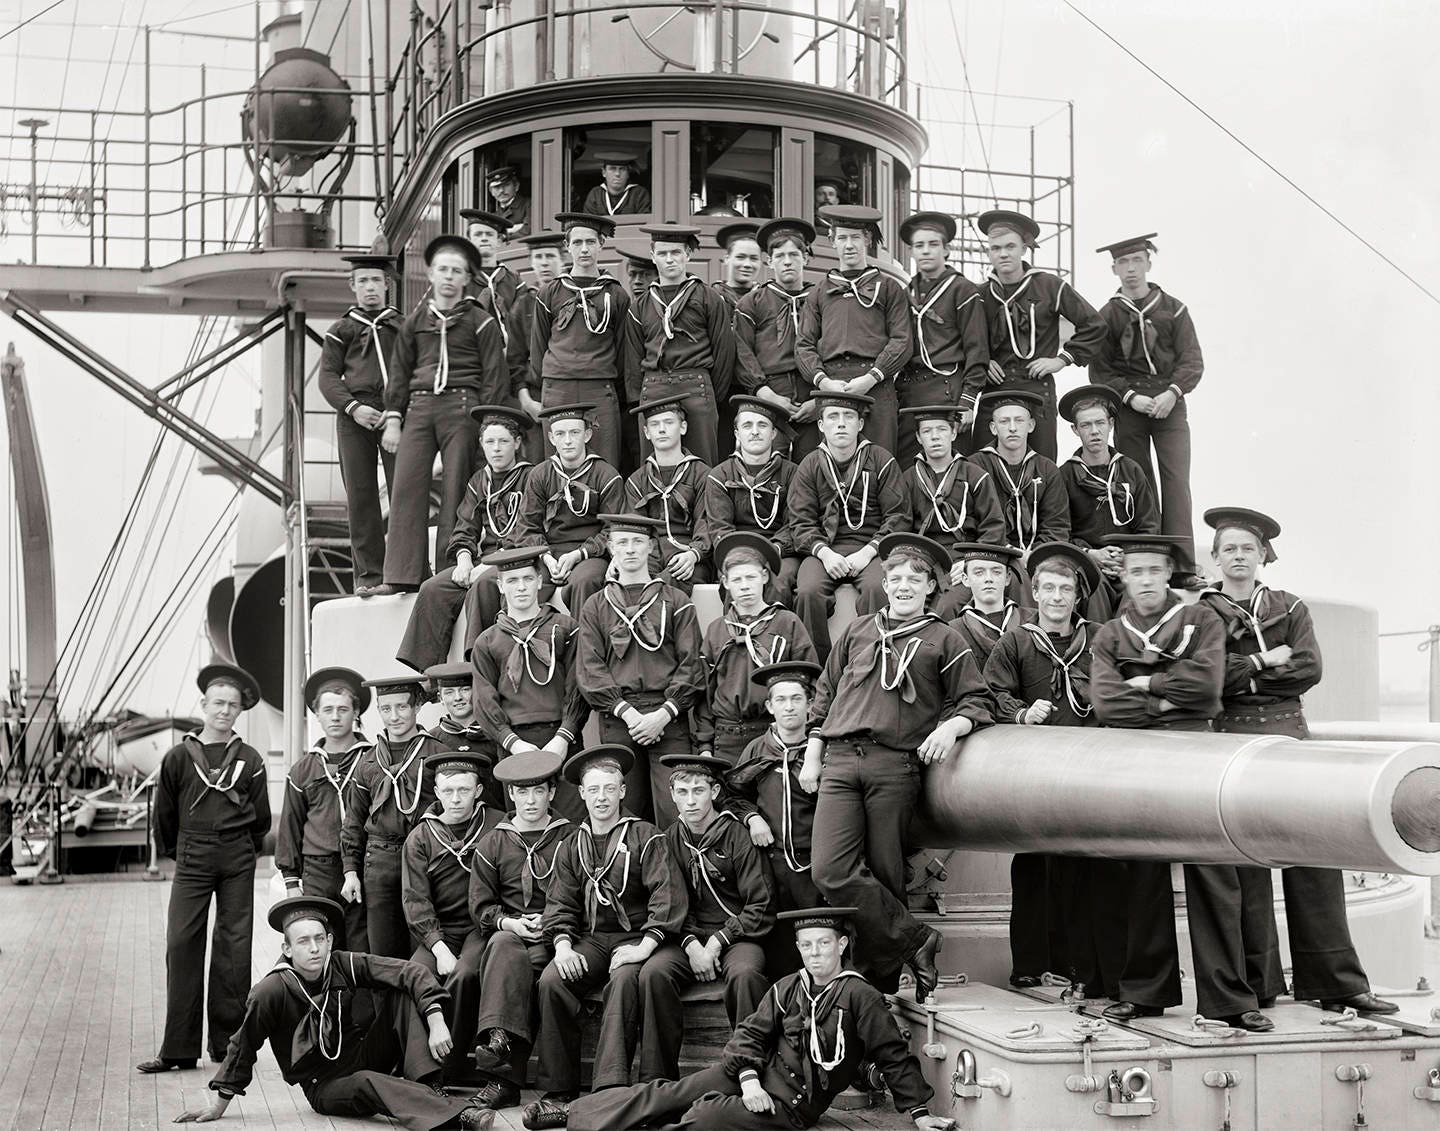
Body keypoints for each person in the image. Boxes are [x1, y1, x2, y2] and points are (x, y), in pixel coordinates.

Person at [1198, 507, 1397, 1017]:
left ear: (1263, 555)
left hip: (1290, 739)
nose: (1238, 556)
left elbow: (1309, 668)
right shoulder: (1204, 614)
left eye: (1248, 548)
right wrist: (1266, 664)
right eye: (1229, 549)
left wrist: (1245, 676)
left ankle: (1336, 983)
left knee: (1316, 859)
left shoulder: (1290, 606)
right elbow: (1211, 676)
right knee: (1247, 865)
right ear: (1215, 557)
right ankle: (1260, 986)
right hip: (1232, 745)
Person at [549, 906, 951, 1131]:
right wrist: (748, 1079)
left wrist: (920, 1114)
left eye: (823, 944)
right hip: (753, 1075)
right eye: (806, 945)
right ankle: (575, 1115)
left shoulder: (860, 995)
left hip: (790, 1102)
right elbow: (749, 1036)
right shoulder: (789, 986)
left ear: (842, 945)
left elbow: (892, 1054)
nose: (815, 954)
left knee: (705, 1118)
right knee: (669, 1093)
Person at [1090, 535, 1270, 1032]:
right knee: (1142, 879)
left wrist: (1147, 685)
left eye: (1155, 570)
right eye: (1136, 571)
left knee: (1214, 877)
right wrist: (1171, 698)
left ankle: (1229, 999)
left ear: (1169, 573)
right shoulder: (1110, 634)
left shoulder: (1201, 620)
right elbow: (1107, 702)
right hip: (1138, 758)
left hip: (1195, 756)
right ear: (1123, 577)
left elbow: (1207, 688)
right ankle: (1145, 992)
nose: (1146, 579)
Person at [802, 533, 993, 998]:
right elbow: (825, 694)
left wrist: (950, 729)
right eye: (896, 578)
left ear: (930, 588)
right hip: (841, 761)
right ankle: (916, 939)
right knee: (829, 870)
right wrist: (812, 755)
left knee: (886, 874)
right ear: (884, 585)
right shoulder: (858, 630)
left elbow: (977, 700)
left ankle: (879, 989)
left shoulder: (945, 638)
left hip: (895, 764)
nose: (904, 585)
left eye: (915, 579)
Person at [175, 896, 494, 1129]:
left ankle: (430, 1086)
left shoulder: (341, 964)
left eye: (319, 939)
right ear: (287, 949)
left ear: (329, 940)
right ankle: (459, 1115)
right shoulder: (271, 990)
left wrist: (436, 1019)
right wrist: (219, 1104)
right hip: (324, 1085)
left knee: (401, 992)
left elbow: (409, 971)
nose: (314, 948)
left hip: (361, 1056)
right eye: (303, 942)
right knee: (369, 1081)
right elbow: (243, 1045)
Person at [981, 542, 1122, 997]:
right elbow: (990, 693)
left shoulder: (1099, 639)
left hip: (1086, 769)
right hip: (1034, 773)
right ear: (1035, 593)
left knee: (1079, 872)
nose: (1057, 597)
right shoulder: (1017, 641)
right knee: (1032, 868)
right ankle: (1029, 965)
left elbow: (1121, 691)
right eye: (1048, 589)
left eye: (1065, 589)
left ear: (1077, 597)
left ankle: (1077, 965)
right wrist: (1021, 712)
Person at [525, 746, 687, 1126]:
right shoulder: (572, 844)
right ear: (582, 793)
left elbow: (666, 896)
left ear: (622, 791)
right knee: (552, 980)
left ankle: (608, 1093)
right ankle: (559, 1092)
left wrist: (644, 947)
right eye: (594, 789)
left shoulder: (646, 836)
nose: (601, 797)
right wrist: (563, 946)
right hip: (595, 938)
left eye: (609, 789)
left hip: (640, 936)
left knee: (625, 978)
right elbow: (560, 903)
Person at [138, 663, 268, 1074]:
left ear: (240, 710)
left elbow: (262, 819)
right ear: (204, 705)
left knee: (234, 948)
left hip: (236, 858)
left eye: (232, 705)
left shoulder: (249, 758)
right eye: (218, 703)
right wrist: (183, 852)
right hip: (192, 856)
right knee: (181, 944)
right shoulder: (179, 757)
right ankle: (178, 1049)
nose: (225, 711)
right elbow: (164, 815)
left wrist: (239, 849)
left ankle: (228, 1045)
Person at [379, 235, 508, 593]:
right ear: (431, 274)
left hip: (463, 408)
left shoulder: (480, 322)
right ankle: (402, 575)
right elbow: (400, 372)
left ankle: (449, 570)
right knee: (406, 487)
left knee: (456, 487)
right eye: (443, 269)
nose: (449, 277)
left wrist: (487, 424)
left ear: (466, 278)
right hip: (420, 407)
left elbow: (494, 376)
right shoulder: (414, 322)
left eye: (456, 271)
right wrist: (393, 418)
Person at [643, 753, 774, 1077]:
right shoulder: (669, 839)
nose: (690, 801)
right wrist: (692, 946)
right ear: (672, 794)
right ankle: (657, 1080)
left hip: (738, 935)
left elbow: (760, 904)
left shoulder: (737, 834)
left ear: (714, 792)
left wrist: (717, 942)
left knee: (745, 974)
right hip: (687, 937)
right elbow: (669, 903)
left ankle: (750, 1072)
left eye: (698, 791)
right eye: (682, 792)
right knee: (654, 973)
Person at [574, 513, 705, 825]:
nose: (630, 549)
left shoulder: (676, 600)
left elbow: (692, 663)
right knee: (625, 815)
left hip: (668, 717)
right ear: (611, 548)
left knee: (676, 814)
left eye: (637, 542)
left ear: (651, 547)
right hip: (620, 720)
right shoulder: (596, 605)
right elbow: (590, 668)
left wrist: (663, 715)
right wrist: (631, 715)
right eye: (622, 543)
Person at [468, 749, 577, 1110]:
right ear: (511, 794)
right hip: (513, 931)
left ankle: (504, 1079)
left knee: (534, 974)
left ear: (551, 793)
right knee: (502, 945)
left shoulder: (569, 837)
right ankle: (498, 1042)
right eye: (522, 792)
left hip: (558, 932)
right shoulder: (494, 841)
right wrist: (509, 922)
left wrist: (552, 921)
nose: (530, 801)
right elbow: (480, 903)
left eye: (538, 791)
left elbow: (581, 892)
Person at [1091, 234, 1203, 585]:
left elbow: (1192, 361)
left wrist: (1172, 392)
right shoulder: (1108, 314)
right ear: (1114, 269)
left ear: (1149, 264)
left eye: (1137, 260)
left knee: (1176, 482)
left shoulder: (1174, 308)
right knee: (1138, 484)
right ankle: (1147, 563)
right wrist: (1130, 397)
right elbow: (1100, 370)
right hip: (1130, 406)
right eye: (1123, 262)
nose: (1131, 269)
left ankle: (1183, 568)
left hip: (1170, 403)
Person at [396, 404, 534, 674]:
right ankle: (430, 674)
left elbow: (530, 530)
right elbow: (465, 526)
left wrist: (490, 564)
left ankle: (476, 669)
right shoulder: (479, 481)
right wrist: (464, 560)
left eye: (504, 441)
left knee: (482, 584)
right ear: (481, 444)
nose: (496, 449)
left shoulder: (532, 477)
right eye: (490, 442)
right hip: (484, 560)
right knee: (433, 588)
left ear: (517, 443)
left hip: (517, 559)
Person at [786, 390, 909, 661]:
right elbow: (800, 522)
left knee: (878, 588)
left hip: (873, 550)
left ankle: (873, 664)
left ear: (860, 423)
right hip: (825, 550)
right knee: (807, 592)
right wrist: (824, 554)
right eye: (833, 417)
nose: (841, 423)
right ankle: (816, 669)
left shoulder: (881, 460)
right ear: (821, 425)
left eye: (848, 416)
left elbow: (898, 516)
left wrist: (868, 552)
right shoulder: (809, 465)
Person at [470, 546, 589, 821]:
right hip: (515, 744)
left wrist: (564, 737)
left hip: (563, 739)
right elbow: (484, 700)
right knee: (526, 825)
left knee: (570, 823)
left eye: (527, 578)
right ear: (500, 586)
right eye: (512, 580)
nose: (521, 587)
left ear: (539, 581)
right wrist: (512, 743)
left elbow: (578, 686)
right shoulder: (487, 641)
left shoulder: (566, 628)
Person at [402, 751, 500, 1082]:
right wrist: (438, 947)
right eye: (448, 791)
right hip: (438, 930)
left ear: (478, 791)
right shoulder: (421, 836)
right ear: (437, 792)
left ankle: (450, 1068)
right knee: (414, 975)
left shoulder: (496, 825)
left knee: (464, 974)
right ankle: (419, 1069)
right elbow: (415, 900)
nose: (455, 799)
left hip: (480, 927)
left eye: (463, 790)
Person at [976, 209, 1106, 461]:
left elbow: (1094, 324)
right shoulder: (980, 293)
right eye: (995, 248)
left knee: (1042, 465)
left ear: (1024, 248)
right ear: (989, 252)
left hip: (1037, 387)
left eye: (1010, 246)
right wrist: (982, 360)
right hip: (995, 388)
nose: (1003, 254)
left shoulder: (1049, 286)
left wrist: (1062, 359)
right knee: (983, 464)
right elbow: (964, 338)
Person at [725, 661, 824, 962]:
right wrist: (752, 818)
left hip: (814, 863)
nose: (789, 707)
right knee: (779, 942)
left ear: (810, 705)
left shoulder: (822, 751)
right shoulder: (757, 749)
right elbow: (733, 795)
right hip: (770, 862)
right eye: (781, 700)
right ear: (770, 706)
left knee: (816, 936)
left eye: (796, 699)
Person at [796, 204, 913, 457]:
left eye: (855, 237)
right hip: (832, 385)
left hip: (876, 385)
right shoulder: (818, 292)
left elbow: (902, 340)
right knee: (833, 464)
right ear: (832, 241)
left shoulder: (889, 288)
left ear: (867, 240)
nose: (849, 245)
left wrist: (871, 377)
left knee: (879, 461)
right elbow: (804, 345)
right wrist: (824, 382)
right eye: (842, 238)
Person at [342, 675, 441, 960]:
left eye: (401, 707)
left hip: (424, 858)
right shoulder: (368, 761)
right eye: (386, 709)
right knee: (383, 951)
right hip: (380, 860)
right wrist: (350, 872)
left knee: (423, 947)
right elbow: (353, 821)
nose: (394, 716)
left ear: (417, 707)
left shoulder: (437, 753)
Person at [694, 532, 816, 764]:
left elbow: (810, 682)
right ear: (725, 582)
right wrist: (705, 745)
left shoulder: (787, 622)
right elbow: (705, 693)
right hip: (726, 737)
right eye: (737, 580)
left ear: (764, 577)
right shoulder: (717, 629)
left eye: (751, 577)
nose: (745, 586)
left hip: (773, 735)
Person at [277, 667, 373, 956]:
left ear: (356, 712)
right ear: (316, 714)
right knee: (320, 946)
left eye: (343, 709)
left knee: (360, 946)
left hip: (363, 866)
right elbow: (290, 826)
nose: (335, 717)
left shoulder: (372, 760)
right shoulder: (303, 769)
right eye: (327, 710)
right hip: (318, 871)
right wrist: (292, 881)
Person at [320, 255, 401, 596]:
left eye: (376, 280)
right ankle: (369, 574)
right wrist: (353, 408)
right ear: (352, 285)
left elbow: (413, 371)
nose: (370, 287)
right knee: (361, 494)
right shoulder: (341, 330)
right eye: (363, 281)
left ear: (387, 284)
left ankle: (405, 570)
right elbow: (327, 377)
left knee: (404, 492)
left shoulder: (402, 326)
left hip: (396, 415)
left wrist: (395, 411)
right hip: (355, 416)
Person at [626, 222, 737, 466]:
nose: (669, 259)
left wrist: (709, 391)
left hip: (696, 388)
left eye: (676, 252)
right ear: (653, 256)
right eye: (662, 253)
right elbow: (633, 360)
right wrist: (641, 396)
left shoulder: (709, 298)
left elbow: (724, 353)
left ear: (687, 254)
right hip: (654, 389)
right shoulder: (640, 306)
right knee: (655, 466)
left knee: (702, 464)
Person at [530, 213, 633, 471]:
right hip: (558, 388)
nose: (584, 249)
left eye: (590, 242)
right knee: (558, 464)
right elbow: (538, 347)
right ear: (567, 246)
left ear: (601, 244)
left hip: (599, 388)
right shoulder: (549, 292)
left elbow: (623, 350)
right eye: (577, 242)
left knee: (604, 462)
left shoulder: (616, 294)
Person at [1057, 384, 1161, 620]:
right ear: (1075, 430)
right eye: (1086, 425)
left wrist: (1128, 556)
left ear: (1111, 424)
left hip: (1129, 561)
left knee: (1136, 592)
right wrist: (1090, 554)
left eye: (1100, 423)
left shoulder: (1131, 470)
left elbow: (1149, 525)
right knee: (1093, 588)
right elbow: (1061, 531)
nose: (1094, 431)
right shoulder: (1065, 475)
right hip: (1088, 562)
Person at [512, 402, 625, 615]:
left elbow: (613, 530)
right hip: (548, 552)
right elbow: (526, 527)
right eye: (560, 434)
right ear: (551, 438)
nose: (567, 440)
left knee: (585, 581)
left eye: (574, 432)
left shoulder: (606, 475)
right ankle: (525, 636)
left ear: (587, 435)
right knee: (524, 580)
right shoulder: (540, 474)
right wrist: (546, 557)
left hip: (590, 553)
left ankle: (584, 637)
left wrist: (579, 554)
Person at [900, 404, 1007, 619]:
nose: (935, 437)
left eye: (941, 429)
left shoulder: (975, 476)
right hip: (923, 558)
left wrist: (970, 562)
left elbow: (993, 528)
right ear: (919, 438)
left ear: (954, 433)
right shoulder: (909, 478)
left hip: (964, 557)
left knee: (947, 607)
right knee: (906, 602)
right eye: (927, 431)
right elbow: (901, 526)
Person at [898, 211, 989, 464]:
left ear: (946, 249)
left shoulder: (962, 289)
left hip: (947, 391)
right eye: (919, 245)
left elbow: (977, 348)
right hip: (910, 394)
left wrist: (968, 400)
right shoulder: (906, 294)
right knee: (908, 467)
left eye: (933, 244)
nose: (926, 251)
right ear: (911, 251)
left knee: (949, 467)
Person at [734, 217, 820, 461]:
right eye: (780, 256)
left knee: (812, 465)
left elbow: (832, 347)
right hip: (769, 395)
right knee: (769, 464)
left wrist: (820, 400)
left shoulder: (820, 298)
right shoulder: (752, 302)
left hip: (811, 394)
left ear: (805, 258)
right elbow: (742, 352)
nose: (787, 261)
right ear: (769, 261)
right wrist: (766, 394)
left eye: (794, 255)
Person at [702, 395, 802, 606]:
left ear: (773, 433)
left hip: (780, 552)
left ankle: (776, 628)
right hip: (735, 550)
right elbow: (720, 528)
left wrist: (772, 550)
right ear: (737, 434)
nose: (755, 431)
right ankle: (737, 628)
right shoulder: (719, 475)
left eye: (762, 425)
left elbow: (795, 523)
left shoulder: (793, 474)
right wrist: (744, 554)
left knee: (779, 582)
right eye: (747, 425)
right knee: (738, 577)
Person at [966, 389, 1071, 563]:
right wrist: (1008, 553)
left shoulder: (1047, 469)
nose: (1012, 428)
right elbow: (971, 524)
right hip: (989, 555)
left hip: (1038, 558)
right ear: (993, 428)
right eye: (1004, 421)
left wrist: (1034, 556)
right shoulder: (973, 467)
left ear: (1031, 425)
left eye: (1019, 420)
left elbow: (1056, 527)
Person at [625, 393, 713, 591]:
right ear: (646, 432)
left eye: (669, 422)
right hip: (650, 555)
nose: (662, 429)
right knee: (627, 581)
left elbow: (706, 523)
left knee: (667, 582)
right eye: (654, 424)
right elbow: (635, 529)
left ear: (683, 427)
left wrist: (694, 553)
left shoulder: (702, 475)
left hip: (689, 556)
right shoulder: (637, 480)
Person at [510, 230, 568, 462]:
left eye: (550, 256)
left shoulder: (575, 298)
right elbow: (515, 360)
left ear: (563, 259)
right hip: (537, 399)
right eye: (539, 257)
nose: (544, 263)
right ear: (531, 262)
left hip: (570, 392)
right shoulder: (523, 305)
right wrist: (526, 402)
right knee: (539, 466)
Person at [945, 543, 1036, 665]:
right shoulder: (953, 631)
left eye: (996, 572)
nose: (988, 578)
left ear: (1008, 577)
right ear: (965, 579)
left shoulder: (1032, 620)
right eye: (979, 572)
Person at [713, 221, 763, 310]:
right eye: (740, 257)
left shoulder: (766, 298)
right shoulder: (711, 297)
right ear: (727, 259)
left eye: (754, 258)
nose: (747, 264)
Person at [581, 154, 651, 216]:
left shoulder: (639, 194)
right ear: (604, 172)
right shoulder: (595, 194)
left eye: (622, 169)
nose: (617, 174)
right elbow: (589, 223)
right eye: (612, 169)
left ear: (628, 174)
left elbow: (645, 222)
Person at [486, 165, 530, 236]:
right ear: (491, 192)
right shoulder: (493, 216)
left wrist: (502, 235)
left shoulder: (529, 205)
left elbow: (528, 230)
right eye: (497, 187)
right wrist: (515, 228)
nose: (501, 190)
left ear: (516, 186)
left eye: (506, 185)